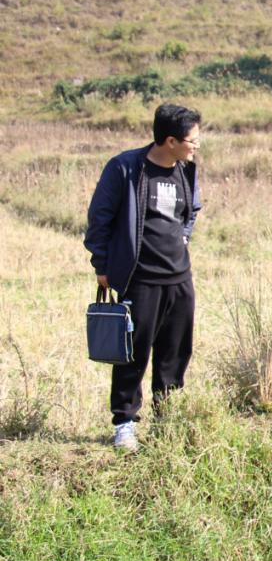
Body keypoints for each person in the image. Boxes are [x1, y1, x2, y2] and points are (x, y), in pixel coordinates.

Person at [84, 103, 203, 451]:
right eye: (192, 140)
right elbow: (99, 220)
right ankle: (124, 422)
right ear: (170, 140)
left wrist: (184, 236)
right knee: (133, 354)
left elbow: (191, 210)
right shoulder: (125, 168)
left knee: (175, 353)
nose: (196, 146)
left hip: (180, 278)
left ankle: (168, 418)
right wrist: (102, 265)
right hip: (140, 279)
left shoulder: (187, 169)